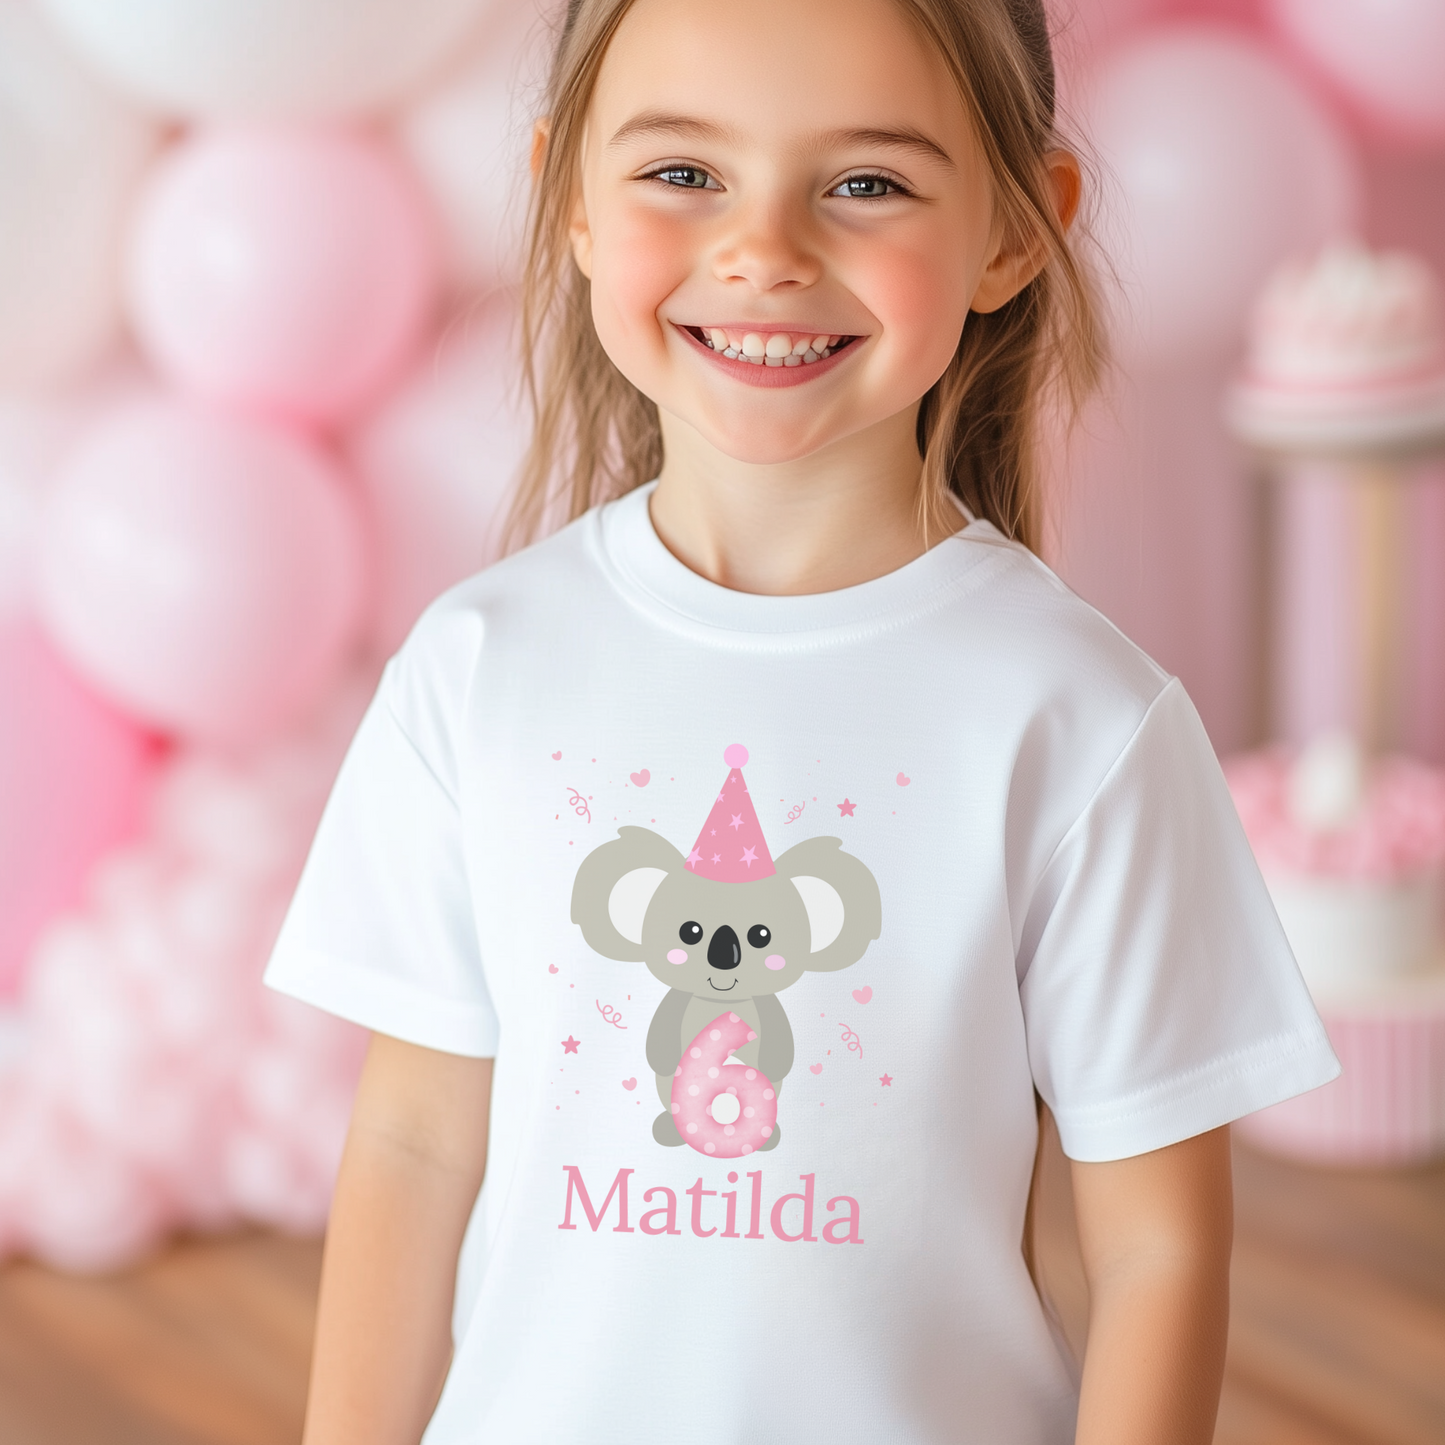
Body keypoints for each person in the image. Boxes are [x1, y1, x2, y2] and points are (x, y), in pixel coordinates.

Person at [265, 1, 1339, 1441]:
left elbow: (1159, 1250)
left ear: (1020, 231)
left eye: (866, 182)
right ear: (570, 199)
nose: (763, 249)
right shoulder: (476, 669)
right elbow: (410, 1143)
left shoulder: (1079, 721)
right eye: (684, 174)